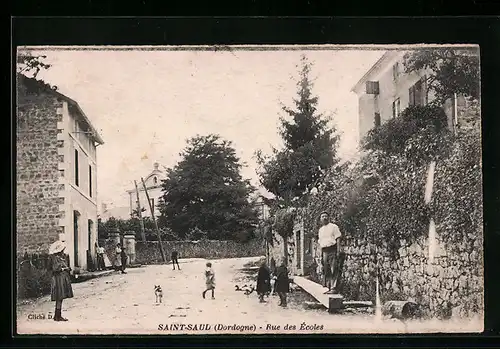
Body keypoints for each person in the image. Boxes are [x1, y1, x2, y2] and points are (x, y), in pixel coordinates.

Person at [48, 239, 74, 321]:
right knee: (59, 297)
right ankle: (57, 316)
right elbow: (56, 269)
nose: (63, 251)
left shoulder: (60, 258)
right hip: (58, 279)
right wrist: (64, 269)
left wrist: (67, 268)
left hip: (61, 279)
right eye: (62, 250)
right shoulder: (54, 258)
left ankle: (57, 315)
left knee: (61, 298)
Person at [317, 211, 342, 293]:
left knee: (334, 268)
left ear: (328, 217)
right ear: (320, 219)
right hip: (324, 251)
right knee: (326, 269)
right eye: (322, 216)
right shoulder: (320, 230)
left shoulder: (334, 227)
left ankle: (333, 288)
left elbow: (338, 239)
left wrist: (338, 251)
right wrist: (320, 254)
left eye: (325, 216)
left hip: (332, 249)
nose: (324, 218)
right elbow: (320, 242)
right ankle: (328, 287)